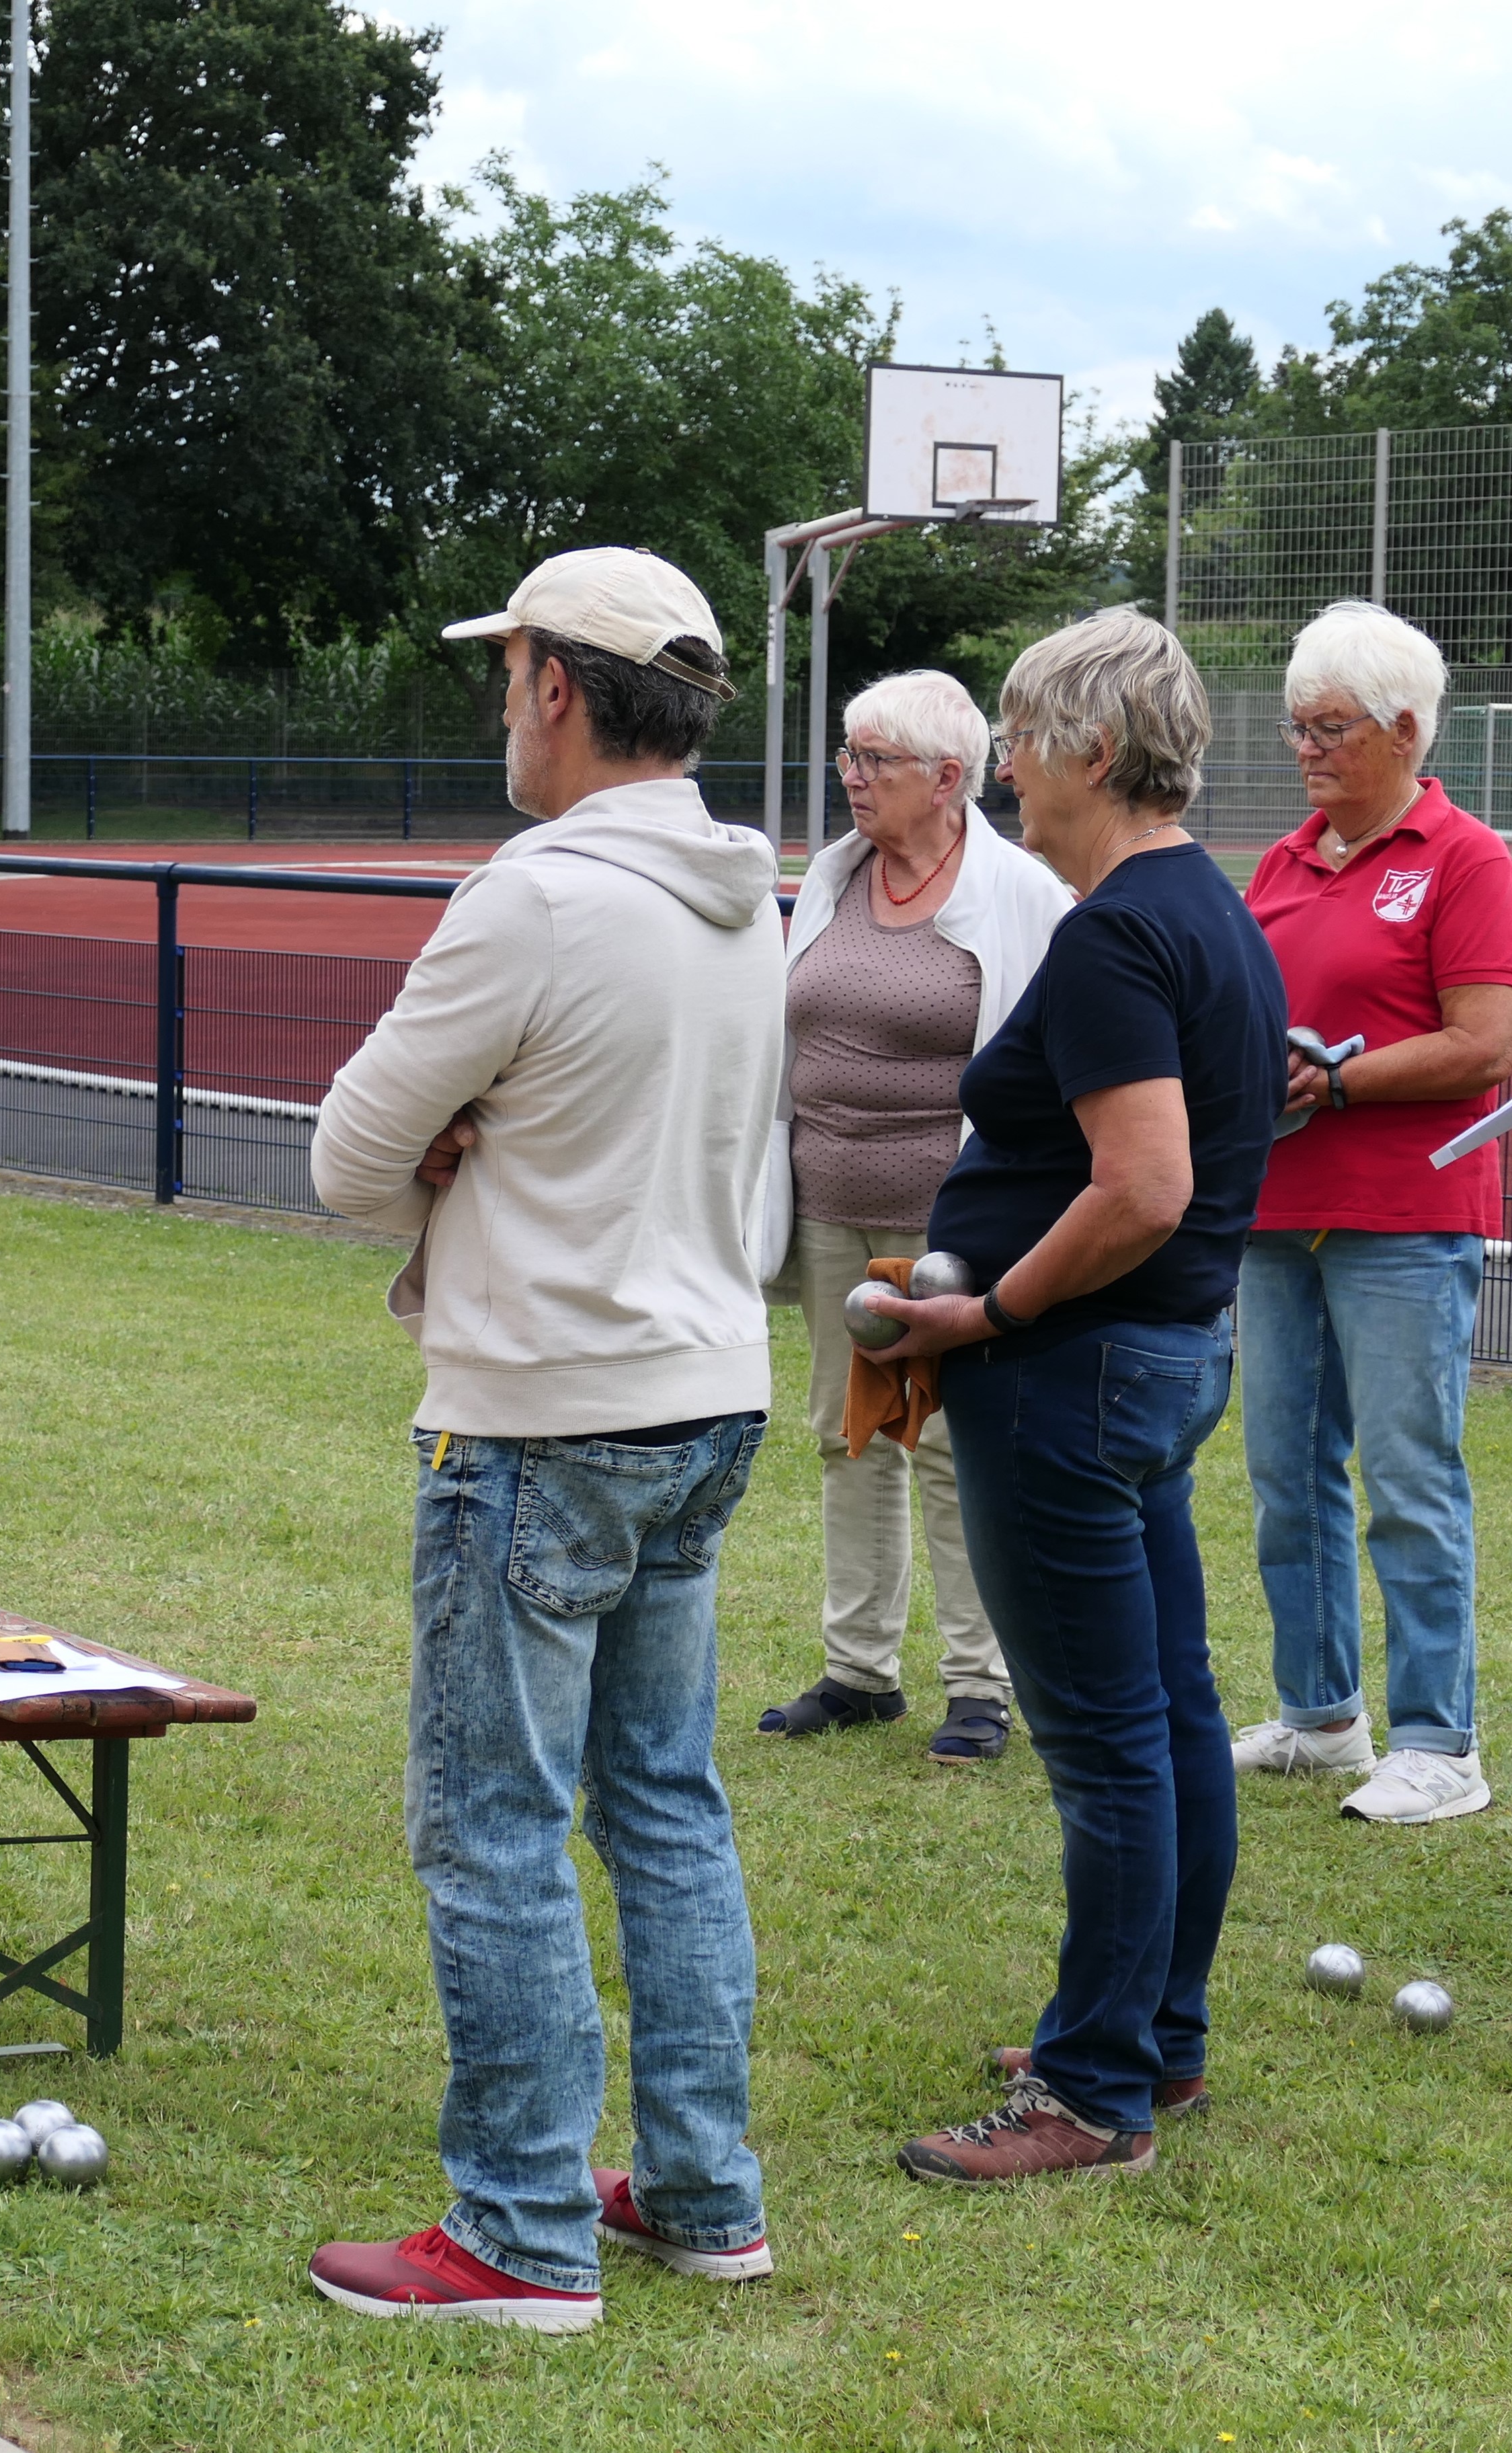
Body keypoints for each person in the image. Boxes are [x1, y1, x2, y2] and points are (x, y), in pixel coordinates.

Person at [303, 548, 785, 2329]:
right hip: (702, 1386)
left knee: (497, 1820)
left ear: (560, 689)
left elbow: (351, 1159)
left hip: (541, 1408)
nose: (502, 708)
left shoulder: (540, 896)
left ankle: (518, 2231)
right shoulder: (758, 897)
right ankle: (700, 2191)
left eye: (509, 676)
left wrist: (459, 1153)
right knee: (665, 1805)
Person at [868, 610, 1286, 2184]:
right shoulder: (1205, 910)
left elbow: (1145, 1183)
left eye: (1022, 742)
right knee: (1166, 1716)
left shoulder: (1114, 930)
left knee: (1112, 1744)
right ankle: (1147, 2038)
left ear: (1089, 755)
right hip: (1156, 1366)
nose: (1006, 777)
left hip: (1073, 1376)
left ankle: (1094, 2087)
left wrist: (984, 1306)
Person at [1227, 602, 1512, 1823]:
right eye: (1298, 724)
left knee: (1409, 1473)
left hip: (1403, 1211)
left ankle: (1440, 1739)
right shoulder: (1281, 862)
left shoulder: (1466, 859)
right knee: (1284, 1473)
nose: (1306, 746)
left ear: (1406, 729)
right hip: (1275, 1205)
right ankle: (1318, 1713)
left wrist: (1340, 1078)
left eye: (1331, 725)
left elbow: (1486, 1044)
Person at [756, 667, 1068, 1762]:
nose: (850, 777)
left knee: (946, 1448)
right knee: (848, 1437)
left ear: (947, 778)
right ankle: (857, 1670)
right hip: (829, 1205)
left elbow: (1047, 1061)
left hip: (951, 1229)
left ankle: (980, 1686)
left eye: (872, 760)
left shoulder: (1021, 894)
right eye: (846, 755)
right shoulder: (835, 877)